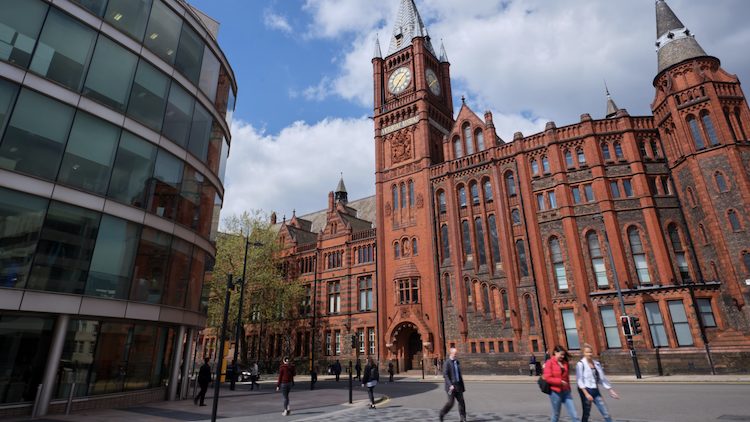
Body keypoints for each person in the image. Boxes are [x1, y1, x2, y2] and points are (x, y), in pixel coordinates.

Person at [576, 344, 619, 422]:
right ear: (583, 353)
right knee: (586, 413)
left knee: (605, 412)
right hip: (586, 390)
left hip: (595, 390)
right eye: (587, 352)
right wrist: (586, 394)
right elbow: (580, 381)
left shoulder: (596, 364)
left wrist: (610, 390)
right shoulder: (580, 364)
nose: (589, 354)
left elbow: (602, 378)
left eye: (590, 352)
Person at [543, 346, 580, 422]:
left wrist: (569, 388)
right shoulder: (549, 362)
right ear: (555, 353)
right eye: (561, 354)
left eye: (563, 355)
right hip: (555, 392)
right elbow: (547, 377)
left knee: (574, 415)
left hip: (566, 392)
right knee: (556, 414)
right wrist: (560, 382)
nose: (562, 356)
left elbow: (567, 378)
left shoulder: (565, 363)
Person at [439, 347, 467, 422]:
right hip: (451, 386)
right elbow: (445, 375)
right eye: (455, 354)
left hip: (458, 385)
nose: (456, 355)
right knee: (451, 403)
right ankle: (442, 413)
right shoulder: (447, 362)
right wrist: (450, 385)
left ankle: (463, 418)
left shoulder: (457, 362)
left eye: (456, 354)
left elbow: (459, 375)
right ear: (451, 353)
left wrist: (462, 386)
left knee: (462, 402)